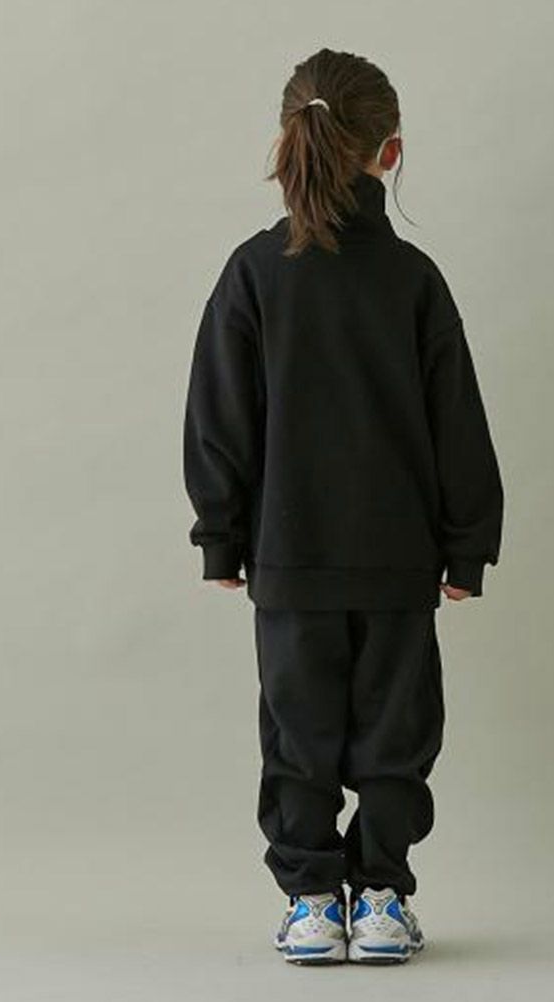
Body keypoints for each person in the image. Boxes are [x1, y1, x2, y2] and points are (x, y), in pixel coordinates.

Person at [182, 48, 504, 965]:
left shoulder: (253, 272)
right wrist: (466, 548)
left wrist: (221, 537)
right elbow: (458, 425)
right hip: (401, 561)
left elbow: (217, 416)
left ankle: (313, 902)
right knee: (396, 736)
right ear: (389, 152)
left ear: (289, 141)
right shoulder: (415, 280)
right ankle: (382, 898)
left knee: (299, 734)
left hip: (288, 560)